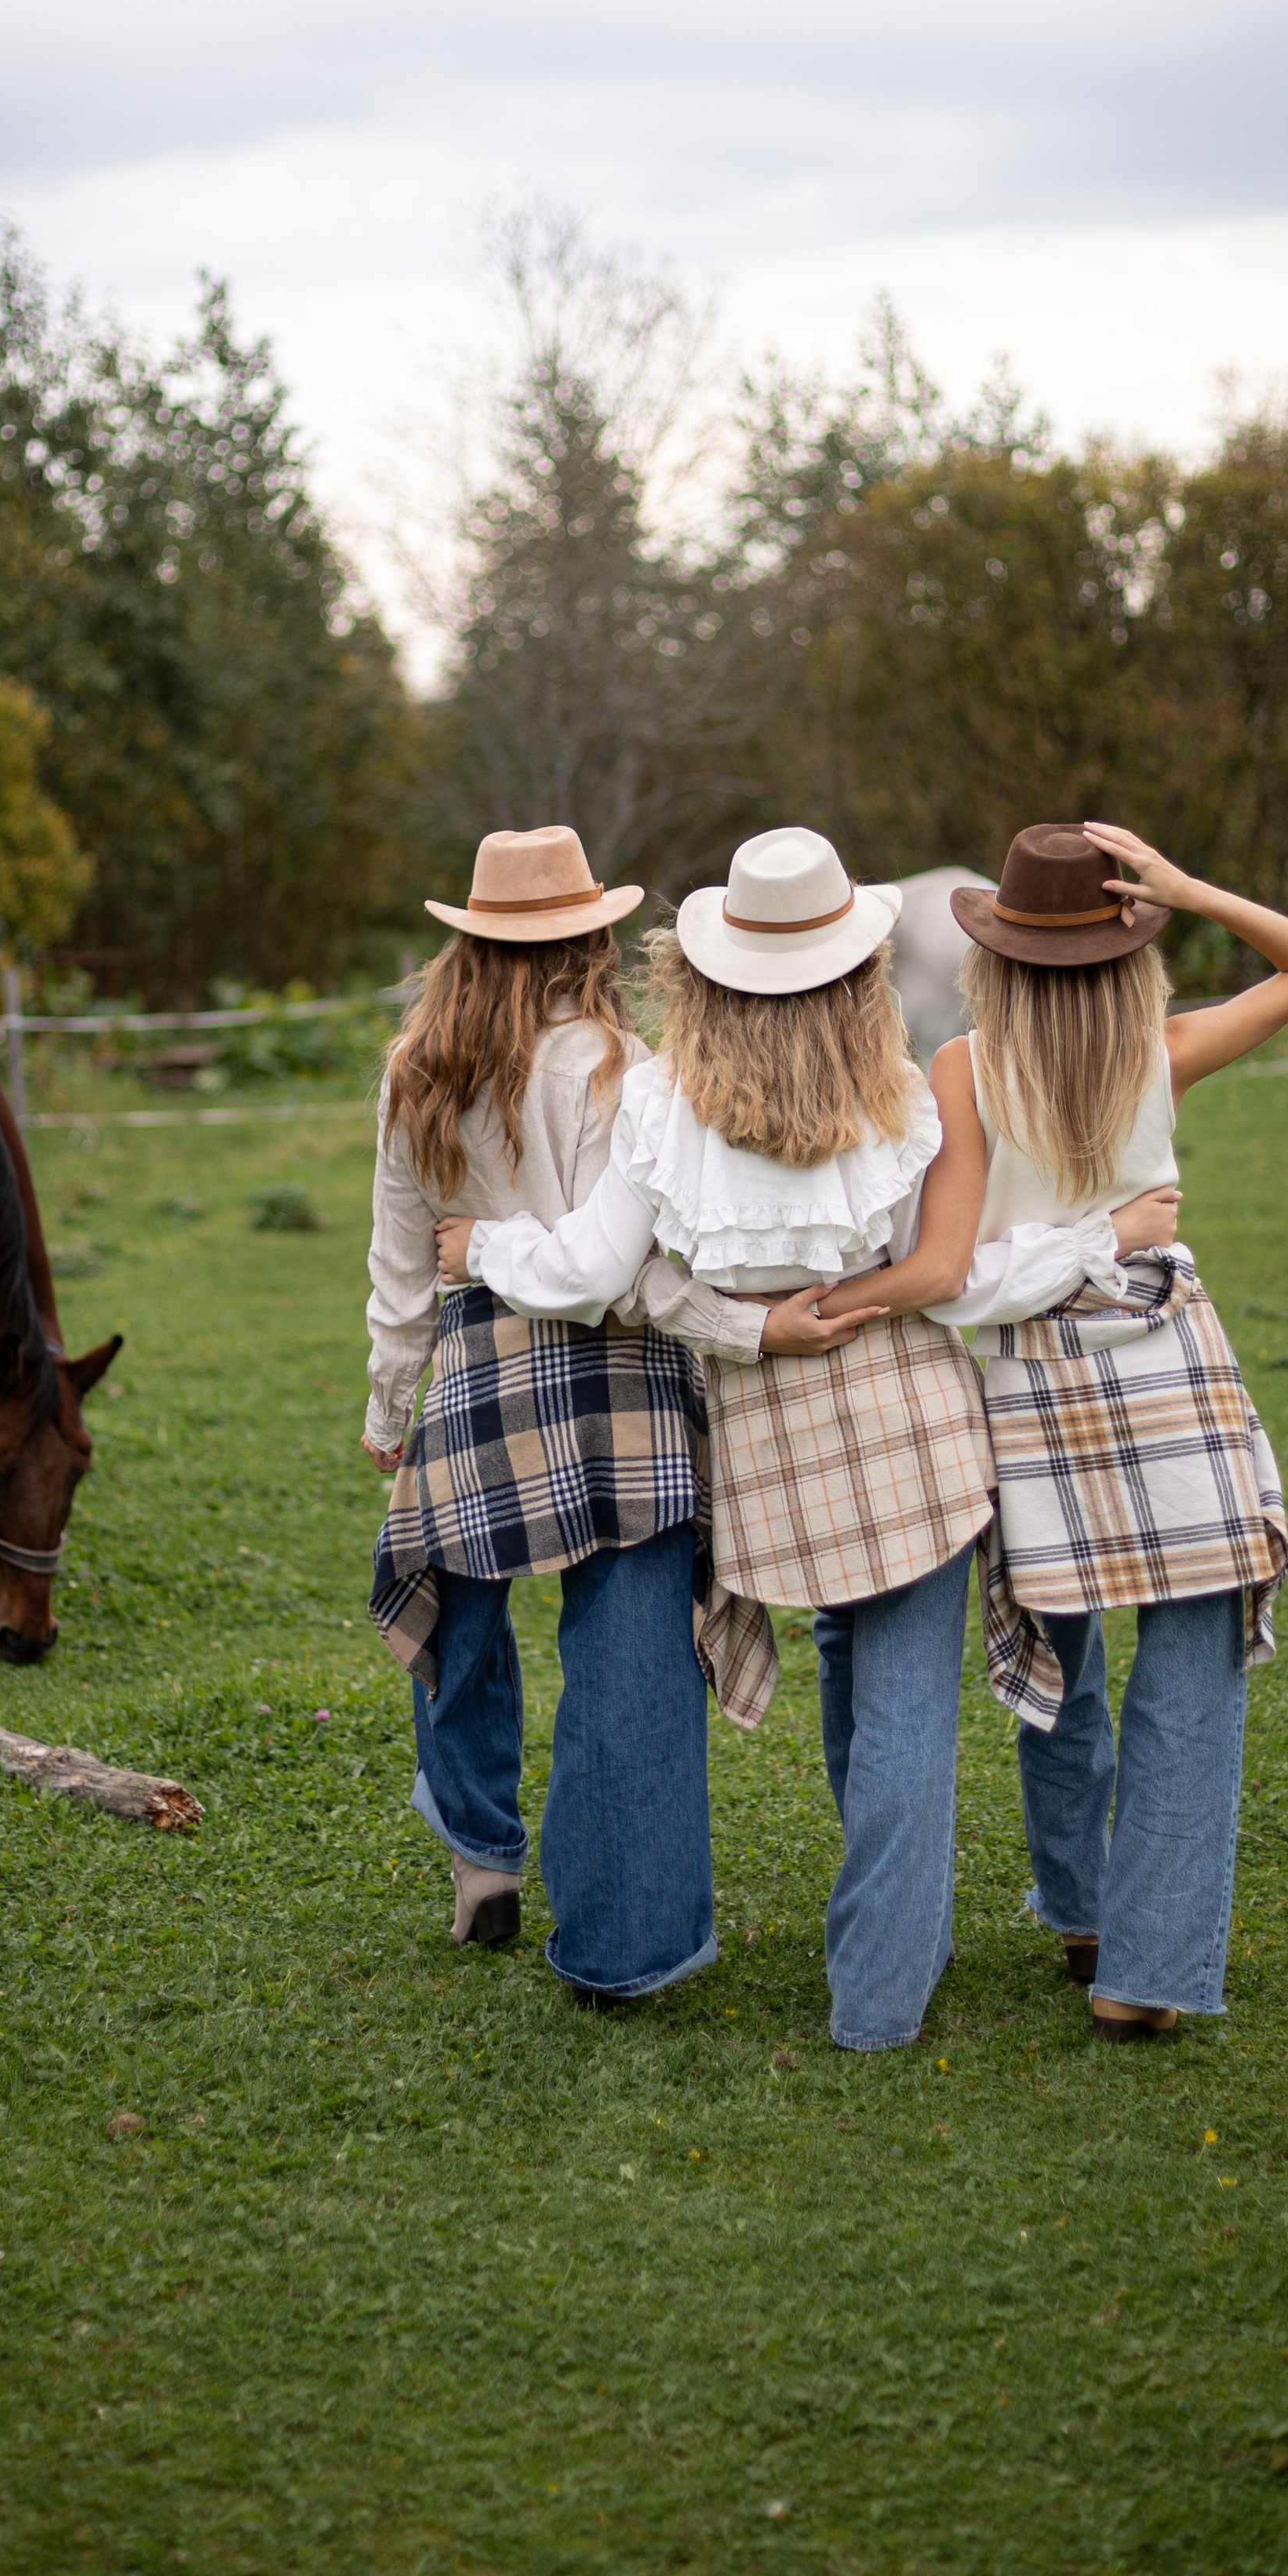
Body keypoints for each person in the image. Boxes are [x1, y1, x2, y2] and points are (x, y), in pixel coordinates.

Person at [438, 826, 1177, 2052]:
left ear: (709, 974)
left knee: (859, 1695)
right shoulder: (898, 1094)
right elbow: (943, 1276)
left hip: (768, 1451)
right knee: (899, 1716)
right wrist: (1088, 1244)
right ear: (856, 971)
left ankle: (893, 1952)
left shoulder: (662, 1103)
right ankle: (880, 1997)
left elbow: (610, 1282)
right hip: (915, 1424)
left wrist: (497, 1255)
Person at [831, 820, 1288, 2041]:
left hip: (1026, 1392)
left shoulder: (960, 1069)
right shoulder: (1156, 1056)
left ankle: (1085, 1912)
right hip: (1173, 1374)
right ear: (1132, 951)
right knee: (1192, 1671)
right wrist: (1188, 887)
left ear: (995, 956)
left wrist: (1047, 1261)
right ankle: (1137, 1968)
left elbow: (950, 1281)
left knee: (1060, 1668)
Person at [364, 824, 860, 2003]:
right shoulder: (633, 1071)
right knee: (628, 1652)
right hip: (628, 1376)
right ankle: (624, 1945)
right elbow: (636, 1278)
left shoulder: (415, 1072)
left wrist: (392, 1403)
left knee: (461, 1616)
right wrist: (748, 1331)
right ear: (593, 936)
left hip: (483, 1362)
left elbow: (398, 1265)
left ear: (469, 944)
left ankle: (481, 1855)